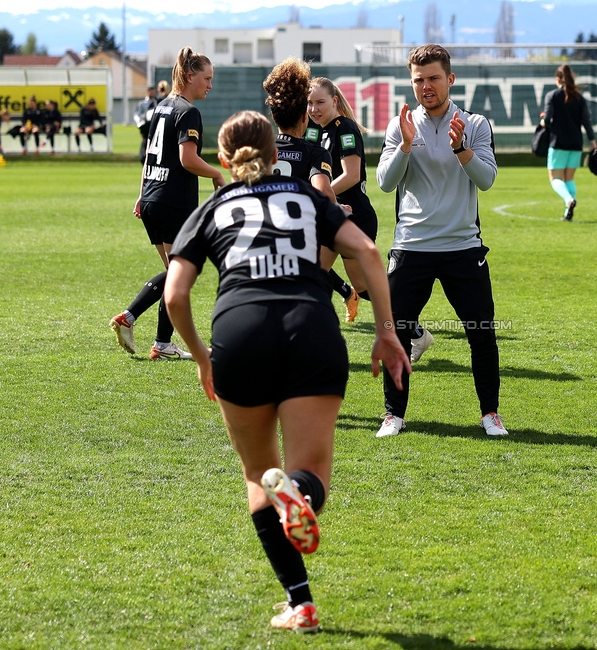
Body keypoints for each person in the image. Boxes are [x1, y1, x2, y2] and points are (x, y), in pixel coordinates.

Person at [164, 110, 410, 633]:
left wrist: (203, 356)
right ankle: (297, 495)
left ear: (226, 161)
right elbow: (366, 251)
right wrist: (387, 332)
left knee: (258, 475)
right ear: (277, 156)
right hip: (310, 329)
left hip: (241, 331)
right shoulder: (310, 199)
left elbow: (175, 293)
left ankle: (301, 602)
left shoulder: (213, 206)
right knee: (309, 474)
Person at [375, 43, 508, 438]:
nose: (426, 86)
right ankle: (393, 415)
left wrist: (461, 149)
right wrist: (403, 145)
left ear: (450, 79)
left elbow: (486, 179)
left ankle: (490, 414)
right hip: (411, 245)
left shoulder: (476, 123)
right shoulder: (400, 124)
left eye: (433, 78)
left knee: (481, 333)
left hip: (462, 248)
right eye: (418, 80)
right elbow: (384, 183)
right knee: (395, 332)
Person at [109, 47, 226, 360]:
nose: (210, 85)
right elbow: (188, 160)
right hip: (173, 201)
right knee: (180, 271)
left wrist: (142, 192)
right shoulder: (188, 112)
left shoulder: (161, 106)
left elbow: (150, 155)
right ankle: (129, 319)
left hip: (152, 197)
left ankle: (161, 344)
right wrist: (216, 173)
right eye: (206, 78)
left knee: (175, 271)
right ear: (190, 76)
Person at [308, 76, 379, 323]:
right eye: (310, 103)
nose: (314, 109)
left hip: (354, 216)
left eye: (320, 102)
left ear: (334, 100)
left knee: (363, 285)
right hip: (334, 214)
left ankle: (410, 323)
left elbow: (351, 176)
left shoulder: (345, 127)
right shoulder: (318, 131)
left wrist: (317, 194)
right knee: (312, 269)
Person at [264, 59, 335, 202]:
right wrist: (339, 210)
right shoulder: (315, 154)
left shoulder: (259, 150)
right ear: (304, 116)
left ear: (273, 116)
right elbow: (323, 191)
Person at [540, 64, 597, 221]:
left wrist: (543, 121)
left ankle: (568, 200)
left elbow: (548, 118)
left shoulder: (552, 96)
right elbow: (587, 122)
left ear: (558, 79)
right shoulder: (580, 98)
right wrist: (593, 142)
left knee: (555, 178)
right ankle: (568, 214)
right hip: (576, 144)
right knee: (569, 178)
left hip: (558, 143)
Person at [135, 86, 158, 163]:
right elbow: (137, 114)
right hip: (145, 126)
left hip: (154, 126)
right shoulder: (142, 103)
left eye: (153, 91)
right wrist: (140, 123)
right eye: (151, 91)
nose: (152, 93)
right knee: (145, 143)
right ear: (147, 92)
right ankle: (144, 158)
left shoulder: (157, 102)